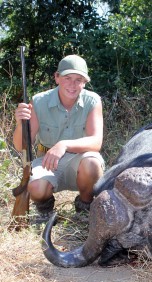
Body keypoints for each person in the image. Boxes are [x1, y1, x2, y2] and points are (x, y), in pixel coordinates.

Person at [13, 54, 105, 223]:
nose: (72, 84)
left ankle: (84, 207)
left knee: (92, 163)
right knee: (36, 188)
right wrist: (20, 124)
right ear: (57, 77)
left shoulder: (93, 101)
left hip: (80, 159)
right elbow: (21, 146)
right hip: (47, 160)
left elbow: (96, 142)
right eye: (67, 78)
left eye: (79, 79)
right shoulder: (39, 101)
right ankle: (46, 211)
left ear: (85, 82)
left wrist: (63, 145)